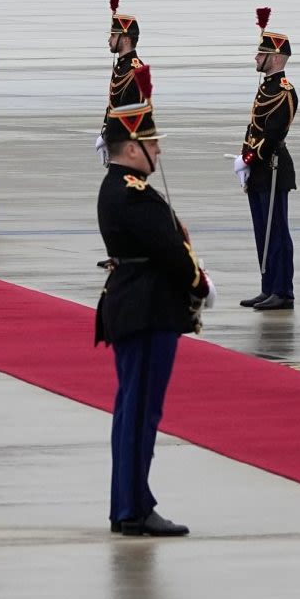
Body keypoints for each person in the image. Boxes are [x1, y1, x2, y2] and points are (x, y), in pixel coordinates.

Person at [96, 65, 212, 538]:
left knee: (133, 412)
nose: (159, 150)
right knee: (141, 413)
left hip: (135, 308)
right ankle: (133, 507)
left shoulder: (120, 190)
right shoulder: (133, 195)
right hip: (147, 312)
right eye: (153, 143)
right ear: (131, 148)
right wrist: (200, 285)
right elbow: (171, 251)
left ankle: (129, 502)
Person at [236, 6, 299, 311]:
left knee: (277, 231)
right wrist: (245, 157)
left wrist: (249, 157)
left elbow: (272, 134)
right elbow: (254, 127)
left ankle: (283, 290)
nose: (256, 59)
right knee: (262, 231)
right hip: (259, 169)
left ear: (275, 58)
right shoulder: (266, 89)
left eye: (261, 55)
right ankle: (267, 286)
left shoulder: (285, 92)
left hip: (273, 167)